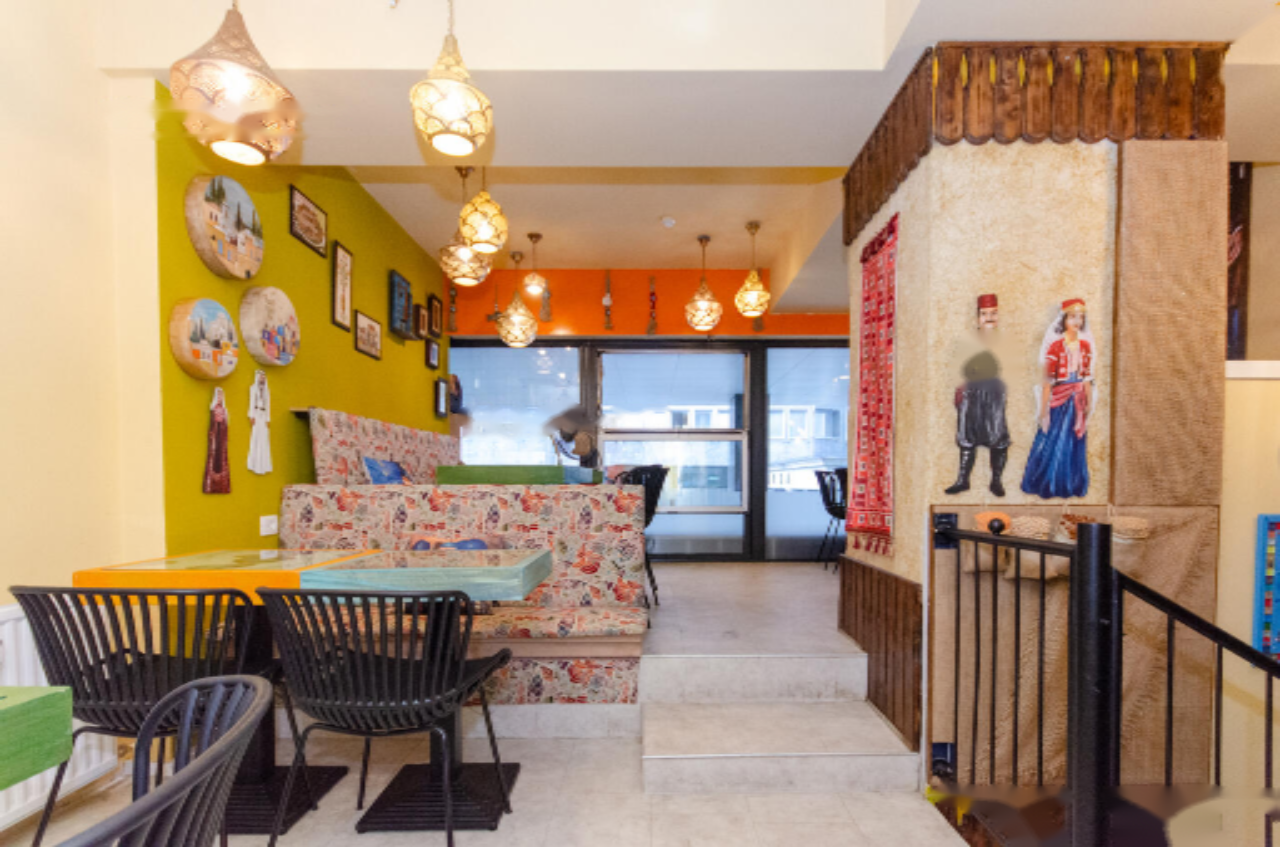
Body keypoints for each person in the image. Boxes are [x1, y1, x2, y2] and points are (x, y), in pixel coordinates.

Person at [1021, 299, 1093, 499]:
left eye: (1080, 317)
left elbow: (1087, 378)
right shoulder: (1055, 347)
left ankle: (1072, 484)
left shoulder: (1085, 346)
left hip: (1077, 401)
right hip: (1060, 400)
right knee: (1054, 439)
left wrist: (1088, 402)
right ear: (1064, 319)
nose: (1077, 321)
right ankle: (1049, 483)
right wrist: (1043, 411)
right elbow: (1047, 382)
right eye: (1072, 317)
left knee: (1074, 441)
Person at [945, 294, 1011, 496]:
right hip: (971, 391)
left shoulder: (1006, 341)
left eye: (993, 313)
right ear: (978, 317)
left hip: (994, 391)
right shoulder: (966, 341)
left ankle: (996, 481)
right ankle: (962, 480)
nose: (989, 318)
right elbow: (956, 366)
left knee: (997, 435)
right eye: (984, 314)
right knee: (966, 436)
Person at [203, 387, 231, 494]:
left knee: (222, 454)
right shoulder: (213, 409)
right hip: (215, 433)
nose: (220, 398)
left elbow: (226, 422)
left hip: (221, 433)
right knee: (213, 454)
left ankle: (222, 482)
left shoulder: (224, 409)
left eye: (221, 396)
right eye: (218, 396)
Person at [247, 370, 272, 475]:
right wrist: (251, 415)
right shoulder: (253, 389)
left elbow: (268, 405)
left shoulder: (266, 390)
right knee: (256, 437)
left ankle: (264, 464)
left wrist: (268, 419)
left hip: (263, 415)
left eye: (264, 377)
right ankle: (254, 463)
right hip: (257, 414)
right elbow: (251, 402)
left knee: (264, 438)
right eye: (261, 376)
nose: (262, 378)